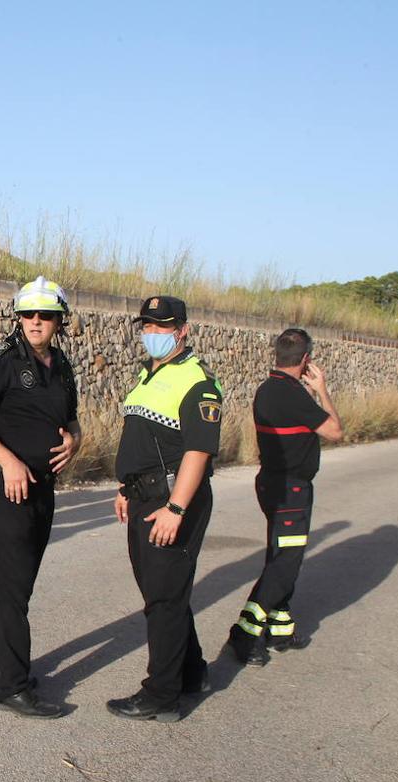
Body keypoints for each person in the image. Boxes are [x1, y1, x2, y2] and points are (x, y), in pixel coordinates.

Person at [0, 277, 81, 719]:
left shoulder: (61, 366)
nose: (35, 322)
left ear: (59, 320)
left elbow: (71, 420)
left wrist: (75, 441)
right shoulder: (3, 361)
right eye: (28, 314)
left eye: (45, 315)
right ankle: (11, 686)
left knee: (11, 583)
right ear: (18, 317)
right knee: (11, 590)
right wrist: (7, 460)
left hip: (41, 488)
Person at [109, 295, 222, 723]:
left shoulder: (197, 383)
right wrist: (125, 487)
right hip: (143, 497)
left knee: (163, 598)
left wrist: (176, 508)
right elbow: (141, 442)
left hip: (172, 500)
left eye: (163, 326)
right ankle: (191, 672)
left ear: (184, 330)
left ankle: (161, 695)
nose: (153, 334)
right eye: (148, 326)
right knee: (165, 592)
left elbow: (198, 452)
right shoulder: (148, 375)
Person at [227, 328, 344, 665]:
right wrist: (321, 390)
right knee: (285, 564)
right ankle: (244, 633)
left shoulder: (267, 389)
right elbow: (335, 431)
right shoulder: (294, 395)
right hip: (291, 489)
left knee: (279, 554)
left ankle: (280, 628)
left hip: (271, 483)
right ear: (305, 360)